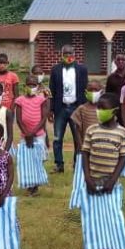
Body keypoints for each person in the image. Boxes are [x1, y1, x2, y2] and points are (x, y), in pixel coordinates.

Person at [80, 92, 125, 249]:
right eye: (98, 107)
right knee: (92, 216)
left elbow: (123, 158)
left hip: (112, 184)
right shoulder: (91, 130)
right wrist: (87, 178)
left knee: (111, 215)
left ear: (114, 111)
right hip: (93, 180)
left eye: (103, 108)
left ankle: (107, 248)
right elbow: (85, 154)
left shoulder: (122, 133)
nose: (99, 111)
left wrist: (113, 180)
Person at [49, 44, 88, 173]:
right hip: (60, 108)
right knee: (57, 138)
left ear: (74, 54)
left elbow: (85, 89)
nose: (68, 56)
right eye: (65, 54)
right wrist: (51, 109)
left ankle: (77, 164)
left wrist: (84, 108)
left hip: (76, 108)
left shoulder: (82, 69)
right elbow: (52, 90)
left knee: (78, 138)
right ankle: (59, 164)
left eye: (70, 53)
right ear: (61, 55)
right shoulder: (55, 70)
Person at [14, 74, 49, 196]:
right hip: (25, 136)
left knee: (37, 159)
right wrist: (26, 133)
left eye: (33, 85)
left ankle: (35, 186)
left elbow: (43, 118)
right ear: (25, 86)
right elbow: (18, 119)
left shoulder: (41, 100)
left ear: (38, 86)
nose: (31, 87)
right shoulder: (20, 100)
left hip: (38, 135)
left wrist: (33, 133)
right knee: (26, 160)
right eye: (29, 84)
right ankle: (30, 185)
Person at [69, 80, 104, 173]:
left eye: (95, 90)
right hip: (85, 145)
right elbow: (77, 130)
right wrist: (80, 145)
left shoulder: (104, 109)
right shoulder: (81, 109)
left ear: (101, 92)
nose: (93, 92)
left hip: (101, 146)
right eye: (90, 90)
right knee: (83, 171)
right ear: (86, 92)